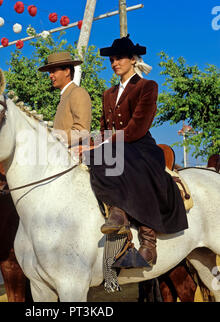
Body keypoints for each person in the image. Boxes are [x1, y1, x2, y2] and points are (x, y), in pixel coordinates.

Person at [82, 35, 188, 267]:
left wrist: (105, 144)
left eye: (119, 58)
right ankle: (116, 213)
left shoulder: (147, 86)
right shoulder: (108, 93)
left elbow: (137, 127)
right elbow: (103, 128)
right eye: (111, 59)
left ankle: (148, 242)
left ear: (132, 59)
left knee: (111, 156)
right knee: (90, 156)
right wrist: (91, 143)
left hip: (141, 147)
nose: (114, 63)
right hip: (117, 146)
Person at [38, 51, 92, 147]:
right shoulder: (64, 96)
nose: (50, 75)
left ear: (67, 71)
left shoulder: (77, 93)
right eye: (49, 72)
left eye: (53, 71)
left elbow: (81, 130)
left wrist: (52, 139)